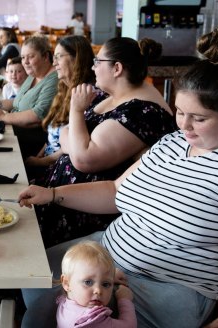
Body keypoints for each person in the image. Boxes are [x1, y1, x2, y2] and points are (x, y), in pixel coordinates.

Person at [17, 27, 218, 328]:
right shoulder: (174, 142)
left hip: (166, 286)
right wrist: (52, 194)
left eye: (200, 118)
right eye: (180, 112)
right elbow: (116, 191)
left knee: (40, 317)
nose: (185, 126)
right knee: (29, 270)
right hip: (107, 257)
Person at [35, 37, 175, 248]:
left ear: (116, 68)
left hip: (86, 217)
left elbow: (84, 159)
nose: (93, 67)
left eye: (97, 62)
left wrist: (76, 111)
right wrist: (76, 144)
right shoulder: (109, 95)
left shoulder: (143, 111)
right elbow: (66, 133)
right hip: (59, 197)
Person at [24, 35, 95, 182]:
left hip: (60, 169)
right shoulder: (64, 89)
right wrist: (39, 156)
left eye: (58, 57)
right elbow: (52, 136)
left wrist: (41, 162)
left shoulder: (86, 94)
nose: (54, 62)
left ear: (77, 59)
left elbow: (73, 145)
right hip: (47, 162)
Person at [0, 35, 58, 158]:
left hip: (32, 138)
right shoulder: (34, 74)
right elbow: (18, 101)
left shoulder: (53, 79)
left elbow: (38, 116)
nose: (25, 62)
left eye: (31, 57)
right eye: (23, 57)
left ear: (46, 56)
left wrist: (3, 117)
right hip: (15, 129)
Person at [57, 241, 136, 327]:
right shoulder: (91, 320)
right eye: (88, 282)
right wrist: (124, 299)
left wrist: (109, 275)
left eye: (105, 284)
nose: (98, 290)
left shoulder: (68, 300)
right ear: (66, 283)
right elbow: (130, 326)